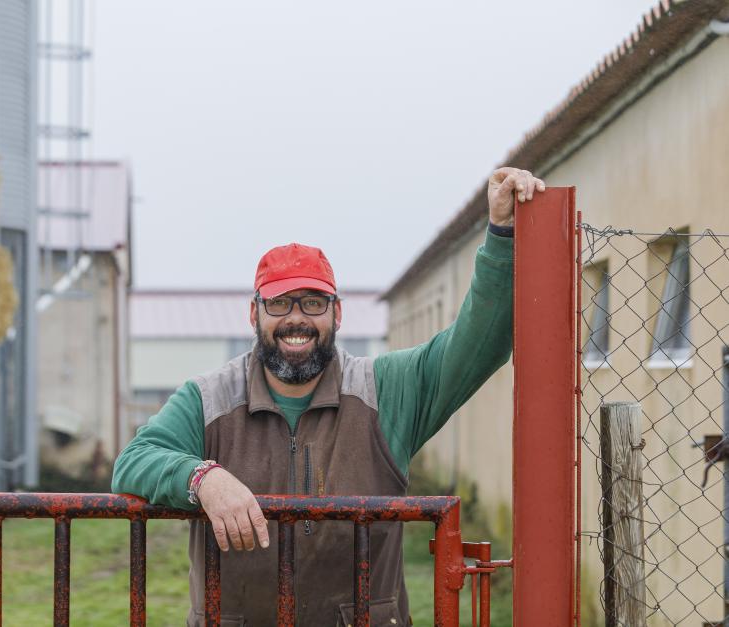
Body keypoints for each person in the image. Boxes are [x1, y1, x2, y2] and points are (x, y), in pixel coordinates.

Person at [113, 167, 545, 625]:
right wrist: (203, 478)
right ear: (253, 314)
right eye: (279, 303)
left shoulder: (387, 391)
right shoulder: (209, 399)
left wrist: (501, 234)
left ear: (337, 313)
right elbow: (134, 461)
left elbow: (476, 345)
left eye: (313, 303)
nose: (296, 319)